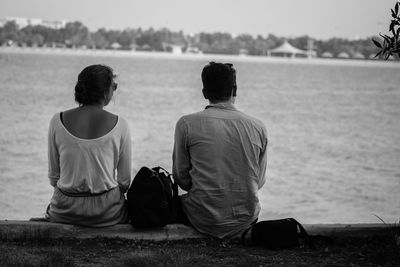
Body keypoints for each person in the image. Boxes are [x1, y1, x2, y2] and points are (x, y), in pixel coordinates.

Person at [173, 62, 268, 238]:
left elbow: (181, 178)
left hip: (200, 217)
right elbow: (258, 182)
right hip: (246, 218)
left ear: (204, 92)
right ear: (235, 90)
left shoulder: (186, 124)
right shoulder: (258, 127)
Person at [46, 64, 132, 227]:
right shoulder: (121, 125)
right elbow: (124, 182)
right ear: (105, 91)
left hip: (64, 211)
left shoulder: (57, 121)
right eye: (114, 86)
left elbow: (54, 178)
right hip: (107, 214)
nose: (114, 91)